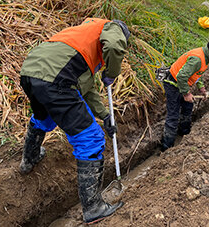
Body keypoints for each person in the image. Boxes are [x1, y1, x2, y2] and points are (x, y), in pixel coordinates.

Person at [19, 18, 130, 224]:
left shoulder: (81, 40)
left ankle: (29, 159)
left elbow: (84, 88)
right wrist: (112, 73)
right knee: (91, 139)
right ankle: (94, 208)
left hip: (31, 71)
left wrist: (105, 115)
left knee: (45, 118)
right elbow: (115, 45)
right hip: (56, 78)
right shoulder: (111, 27)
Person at [161, 35, 209, 151]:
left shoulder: (205, 57)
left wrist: (201, 87)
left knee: (188, 105)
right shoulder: (198, 59)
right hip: (173, 84)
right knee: (173, 115)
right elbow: (181, 76)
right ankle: (166, 147)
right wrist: (186, 93)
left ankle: (184, 133)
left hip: (181, 83)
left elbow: (197, 74)